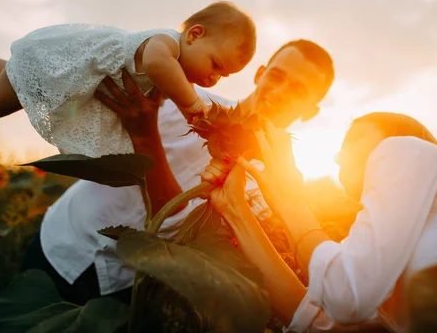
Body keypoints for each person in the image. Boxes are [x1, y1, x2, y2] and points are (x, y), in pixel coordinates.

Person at [20, 39, 335, 306]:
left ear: (311, 111)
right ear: (260, 74)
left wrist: (146, 138)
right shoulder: (185, 99)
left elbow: (176, 232)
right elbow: (88, 111)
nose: (280, 93)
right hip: (65, 239)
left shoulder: (273, 188)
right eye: (277, 77)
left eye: (298, 91)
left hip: (126, 283)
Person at [201, 112, 437, 332]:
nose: (337, 156)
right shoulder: (408, 245)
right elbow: (320, 323)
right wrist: (235, 209)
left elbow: (345, 296)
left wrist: (289, 198)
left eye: (352, 139)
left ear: (397, 136)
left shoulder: (403, 148)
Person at [0, 1, 256, 158]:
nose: (214, 78)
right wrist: (195, 106)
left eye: (223, 76)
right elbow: (156, 65)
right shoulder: (164, 45)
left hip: (64, 76)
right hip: (64, 60)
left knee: (25, 88)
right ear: (194, 35)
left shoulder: (178, 70)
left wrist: (208, 126)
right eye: (216, 64)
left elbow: (183, 102)